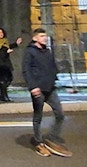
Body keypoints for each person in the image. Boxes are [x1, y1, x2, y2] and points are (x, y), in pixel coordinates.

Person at [23, 28, 67, 156]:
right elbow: (26, 70)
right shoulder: (29, 52)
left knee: (60, 114)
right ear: (35, 38)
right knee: (38, 117)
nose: (44, 38)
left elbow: (52, 67)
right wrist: (33, 87)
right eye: (42, 36)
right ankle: (38, 143)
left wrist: (55, 78)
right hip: (38, 89)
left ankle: (52, 137)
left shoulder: (47, 51)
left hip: (50, 88)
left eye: (45, 36)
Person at [0, 35, 15, 102]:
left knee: (8, 79)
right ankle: (4, 96)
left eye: (2, 32)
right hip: (1, 65)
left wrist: (16, 44)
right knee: (3, 80)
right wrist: (6, 52)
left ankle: (3, 95)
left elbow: (9, 46)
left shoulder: (5, 43)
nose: (1, 34)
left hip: (6, 65)